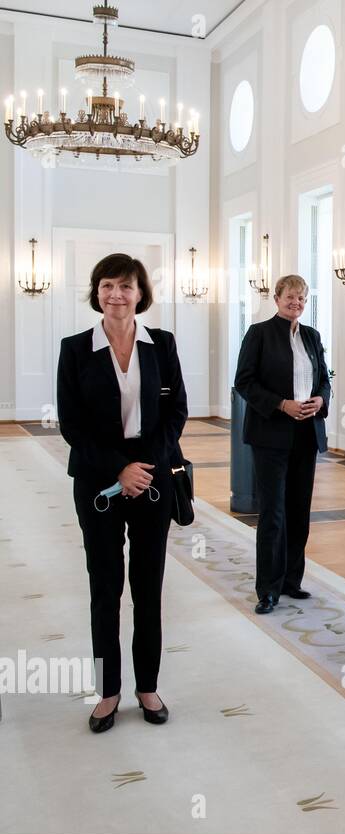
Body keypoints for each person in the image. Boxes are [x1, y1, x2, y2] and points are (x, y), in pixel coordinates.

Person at [57, 253, 187, 732]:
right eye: (108, 285)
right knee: (105, 587)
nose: (116, 294)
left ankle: (147, 686)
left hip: (152, 478)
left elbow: (176, 413)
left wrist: (143, 467)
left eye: (126, 286)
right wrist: (120, 468)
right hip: (98, 481)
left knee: (148, 586)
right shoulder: (75, 349)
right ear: (97, 292)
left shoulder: (162, 344)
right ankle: (108, 691)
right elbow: (72, 425)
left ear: (140, 294)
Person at [233, 274, 330, 615]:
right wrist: (281, 404)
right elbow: (243, 381)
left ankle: (292, 580)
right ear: (276, 298)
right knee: (273, 513)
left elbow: (324, 380)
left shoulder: (312, 336)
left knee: (298, 511)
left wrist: (321, 400)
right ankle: (268, 588)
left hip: (306, 434)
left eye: (302, 298)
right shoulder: (258, 334)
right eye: (291, 297)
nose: (297, 303)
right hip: (270, 435)